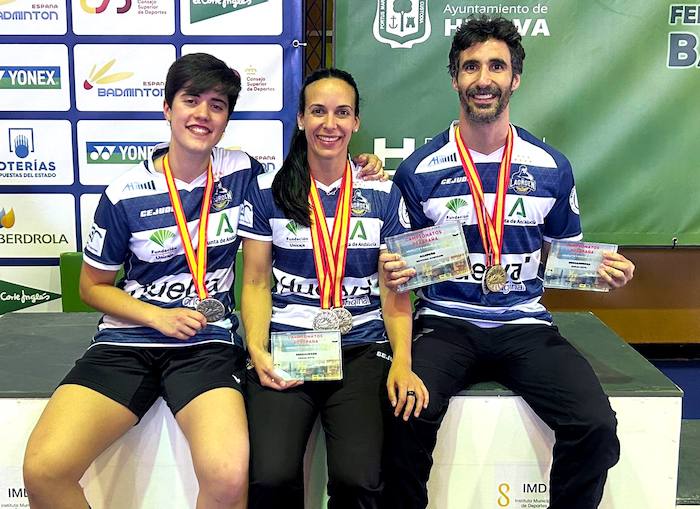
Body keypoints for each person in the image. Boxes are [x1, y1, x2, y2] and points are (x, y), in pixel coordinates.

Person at [22, 53, 385, 509]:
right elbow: (91, 287)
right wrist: (158, 317)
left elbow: (310, 167)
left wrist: (362, 164)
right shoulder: (123, 194)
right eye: (191, 100)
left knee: (230, 474)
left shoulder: (243, 173)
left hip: (206, 345)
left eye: (217, 105)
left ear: (227, 119)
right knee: (43, 470)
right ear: (167, 108)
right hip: (125, 345)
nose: (203, 114)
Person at [380, 17, 636, 509]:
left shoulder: (550, 166)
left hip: (525, 324)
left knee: (596, 425)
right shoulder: (420, 170)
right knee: (402, 416)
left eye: (496, 66)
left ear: (515, 78)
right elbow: (404, 267)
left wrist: (605, 271)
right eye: (470, 67)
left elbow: (562, 256)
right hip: (445, 323)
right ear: (454, 78)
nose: (483, 79)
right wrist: (398, 270)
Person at [238, 68, 428, 509]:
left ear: (356, 122)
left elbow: (396, 289)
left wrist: (402, 359)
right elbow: (254, 281)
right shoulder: (268, 191)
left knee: (359, 480)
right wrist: (257, 349)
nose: (330, 124)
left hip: (361, 347)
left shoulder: (382, 193)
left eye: (342, 113)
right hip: (288, 346)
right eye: (318, 111)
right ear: (301, 119)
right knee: (269, 476)